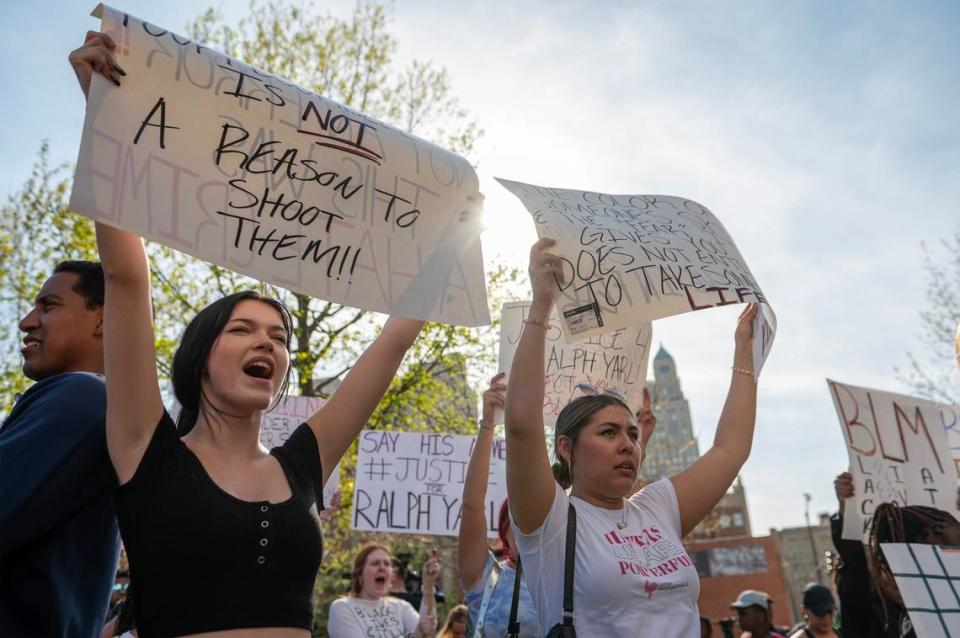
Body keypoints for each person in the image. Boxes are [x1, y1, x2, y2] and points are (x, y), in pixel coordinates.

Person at [71, 31, 426, 637]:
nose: (269, 343)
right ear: (201, 358)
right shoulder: (145, 450)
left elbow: (394, 341)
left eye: (280, 337)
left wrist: (448, 239)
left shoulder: (304, 465)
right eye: (243, 329)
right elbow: (127, 278)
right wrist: (106, 115)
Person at [504, 238, 762, 637]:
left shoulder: (657, 506)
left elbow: (731, 449)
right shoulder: (551, 521)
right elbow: (521, 422)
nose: (627, 444)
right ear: (566, 447)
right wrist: (541, 307)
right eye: (608, 433)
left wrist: (744, 351)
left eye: (632, 434)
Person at [0, 260, 121, 638]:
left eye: (48, 306)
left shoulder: (83, 395)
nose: (27, 322)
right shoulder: (102, 404)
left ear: (102, 319)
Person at [458, 373, 540, 637]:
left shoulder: (563, 579)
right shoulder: (484, 578)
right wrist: (488, 425)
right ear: (504, 532)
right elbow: (472, 504)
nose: (527, 528)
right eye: (517, 521)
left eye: (536, 521)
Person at [327, 544, 439, 637]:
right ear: (360, 574)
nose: (382, 567)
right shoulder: (342, 607)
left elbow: (426, 631)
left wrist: (428, 585)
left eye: (387, 564)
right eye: (375, 563)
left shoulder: (400, 607)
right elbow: (417, 634)